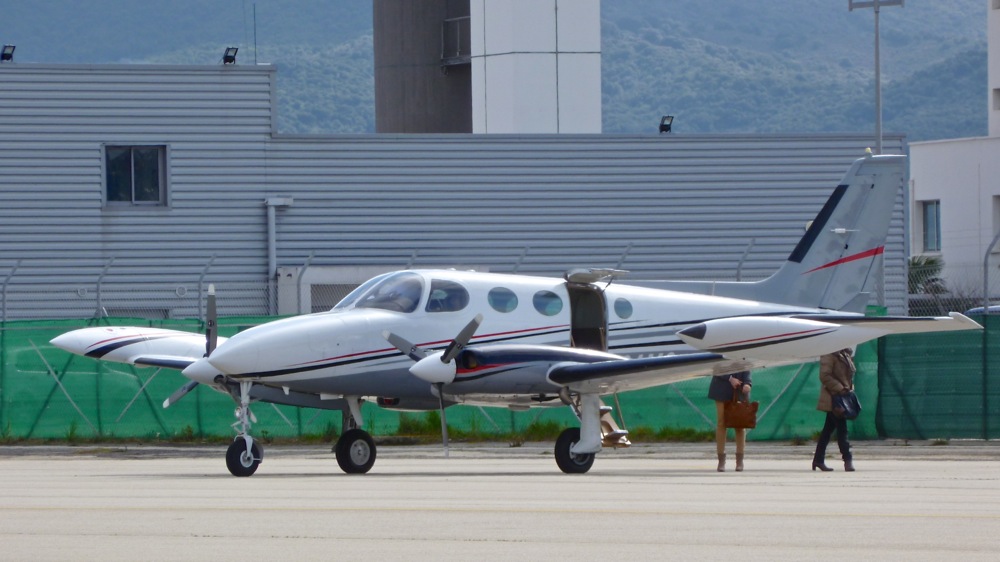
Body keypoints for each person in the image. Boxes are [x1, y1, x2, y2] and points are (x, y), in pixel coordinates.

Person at [812, 348, 856, 472]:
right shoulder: (829, 354)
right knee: (842, 430)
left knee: (827, 431)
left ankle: (818, 460)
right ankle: (847, 460)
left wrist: (849, 388)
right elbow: (824, 375)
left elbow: (849, 374)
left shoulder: (844, 354)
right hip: (833, 399)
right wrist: (840, 388)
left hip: (842, 396)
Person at [707, 371, 752, 472]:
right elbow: (716, 368)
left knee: (740, 425)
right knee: (721, 423)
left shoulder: (742, 356)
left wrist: (747, 383)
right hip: (721, 389)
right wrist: (730, 378)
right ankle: (721, 460)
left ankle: (739, 461)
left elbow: (747, 365)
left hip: (739, 390)